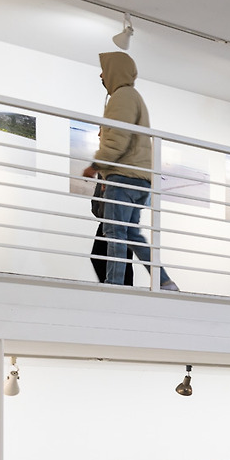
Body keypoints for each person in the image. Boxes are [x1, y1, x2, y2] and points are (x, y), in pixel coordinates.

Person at [82, 51, 179, 291]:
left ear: (114, 71)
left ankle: (114, 286)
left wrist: (95, 166)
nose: (101, 75)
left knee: (115, 233)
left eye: (104, 70)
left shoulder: (122, 97)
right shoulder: (132, 97)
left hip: (124, 177)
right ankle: (164, 281)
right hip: (139, 179)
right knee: (132, 235)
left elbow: (118, 139)